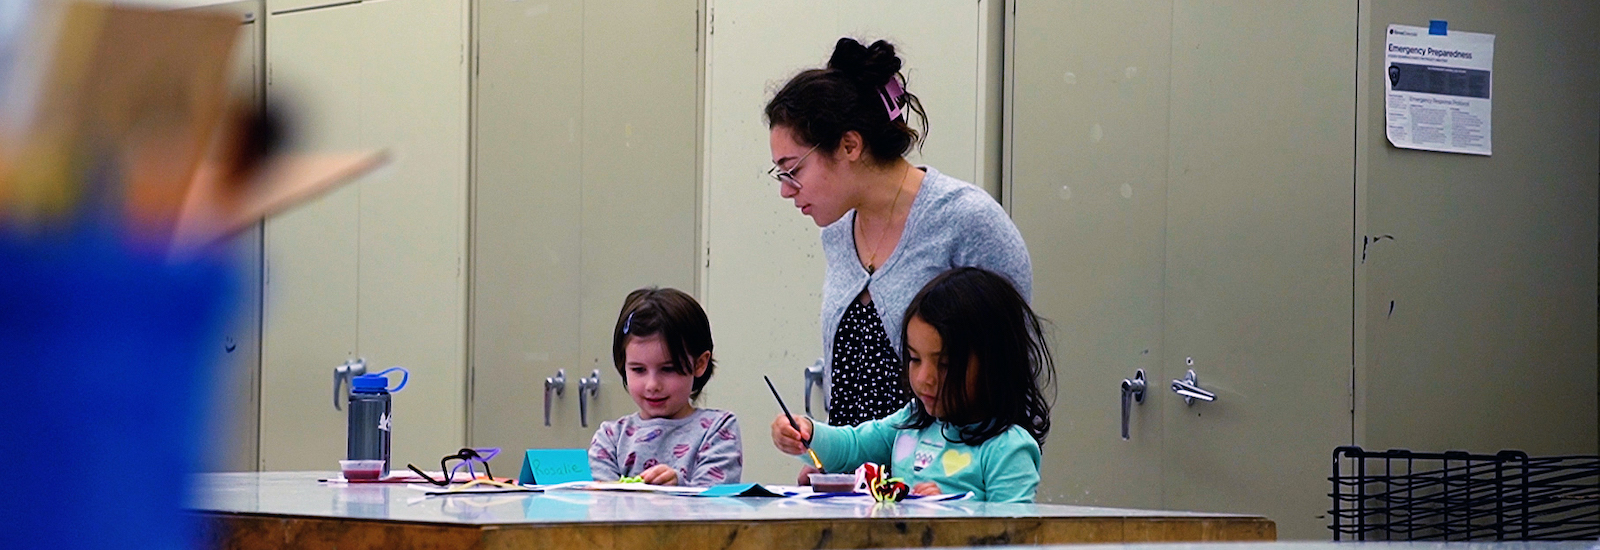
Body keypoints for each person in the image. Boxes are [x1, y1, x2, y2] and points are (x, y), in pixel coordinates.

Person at [764, 37, 1033, 477]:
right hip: (858, 491)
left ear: (850, 146)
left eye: (794, 171)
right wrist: (828, 457)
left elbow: (1010, 385)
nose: (785, 189)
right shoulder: (836, 230)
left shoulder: (968, 221)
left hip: (946, 495)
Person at [769, 267, 1055, 503]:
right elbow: (852, 446)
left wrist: (954, 511)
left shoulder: (1008, 448)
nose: (923, 378)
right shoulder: (911, 423)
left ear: (995, 362)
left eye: (944, 364)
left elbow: (1015, 536)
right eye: (915, 359)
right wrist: (806, 433)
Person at [589, 288, 741, 486]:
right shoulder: (610, 438)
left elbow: (715, 504)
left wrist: (679, 487)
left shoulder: (718, 428)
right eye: (638, 370)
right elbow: (601, 506)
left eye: (668, 369)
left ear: (700, 363)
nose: (652, 385)